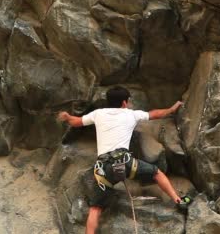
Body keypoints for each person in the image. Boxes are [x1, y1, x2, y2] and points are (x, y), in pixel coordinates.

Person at [57, 86, 191, 234]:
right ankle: (178, 201)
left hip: (104, 169)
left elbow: (76, 122)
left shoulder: (98, 114)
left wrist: (67, 117)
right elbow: (154, 114)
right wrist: (171, 109)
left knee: (95, 209)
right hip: (125, 163)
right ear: (124, 103)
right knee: (156, 173)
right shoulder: (131, 115)